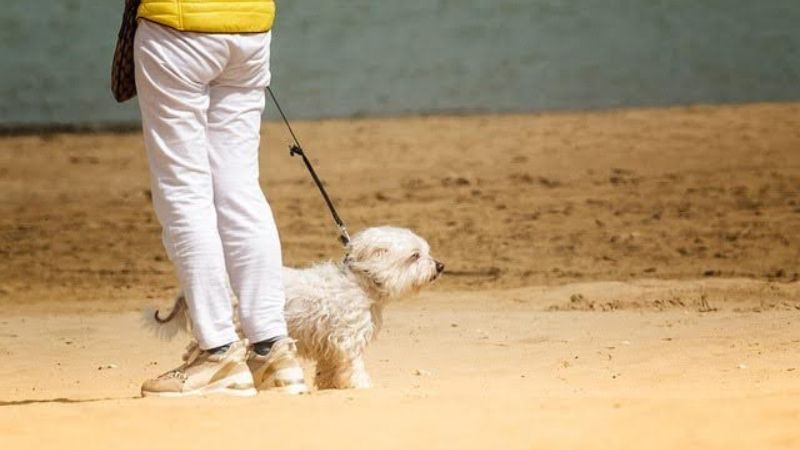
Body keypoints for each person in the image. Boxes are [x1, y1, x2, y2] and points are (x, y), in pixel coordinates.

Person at [133, 0, 309, 396]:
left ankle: (218, 352)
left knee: (183, 191)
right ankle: (274, 354)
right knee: (240, 187)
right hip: (251, 26)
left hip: (177, 27)